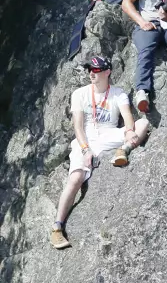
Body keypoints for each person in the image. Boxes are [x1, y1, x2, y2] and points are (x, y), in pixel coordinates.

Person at [50, 56, 150, 250]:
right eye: (90, 70)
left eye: (96, 71)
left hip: (108, 135)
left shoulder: (118, 93)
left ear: (107, 72)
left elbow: (128, 116)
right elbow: (77, 127)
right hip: (85, 139)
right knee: (76, 177)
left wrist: (129, 131)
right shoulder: (79, 93)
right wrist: (86, 150)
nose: (91, 74)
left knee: (143, 123)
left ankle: (124, 150)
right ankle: (57, 228)